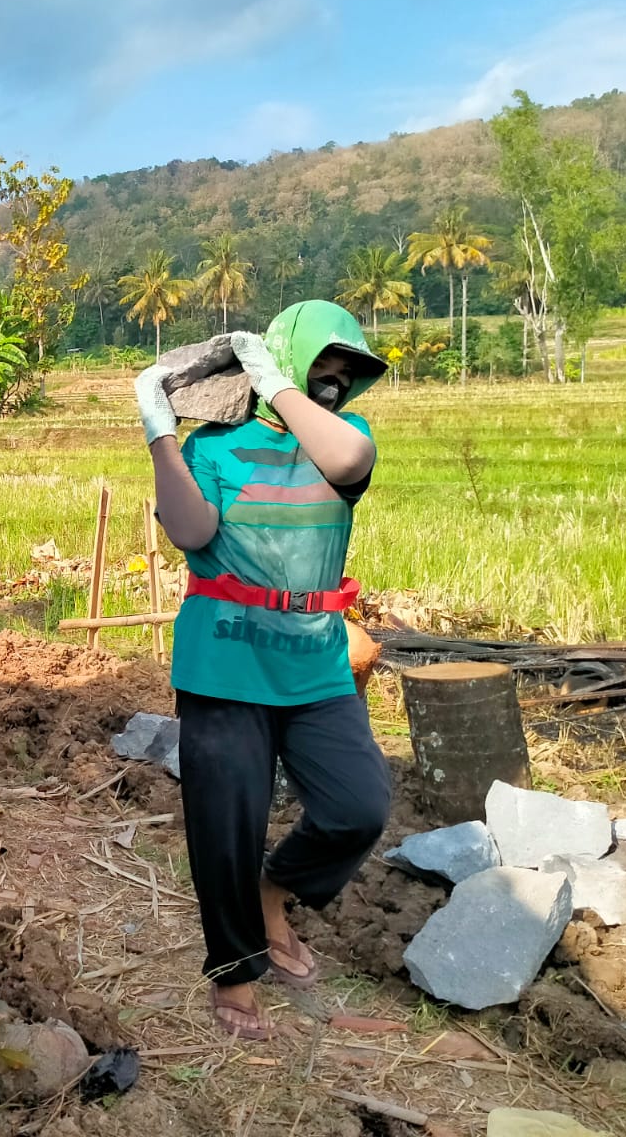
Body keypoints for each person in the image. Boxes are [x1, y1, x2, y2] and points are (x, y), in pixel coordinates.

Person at [133, 299, 391, 1041]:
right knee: (225, 827)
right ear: (292, 355)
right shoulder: (214, 445)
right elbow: (191, 531)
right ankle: (236, 973)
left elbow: (343, 462)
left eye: (349, 369)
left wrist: (279, 381)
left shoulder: (348, 442)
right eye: (326, 363)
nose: (337, 380)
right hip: (223, 663)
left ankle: (273, 890)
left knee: (358, 805)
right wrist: (161, 436)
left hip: (313, 662)